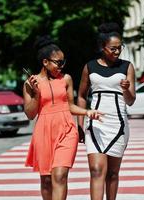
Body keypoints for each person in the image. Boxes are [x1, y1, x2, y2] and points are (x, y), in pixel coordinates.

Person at [23, 35, 102, 200]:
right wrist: (36, 95)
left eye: (63, 61)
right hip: (43, 132)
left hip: (66, 130)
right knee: (46, 180)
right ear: (45, 62)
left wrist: (87, 112)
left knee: (59, 176)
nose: (62, 65)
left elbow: (70, 106)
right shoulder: (31, 83)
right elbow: (30, 114)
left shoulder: (66, 79)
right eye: (58, 62)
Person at [77, 22, 136, 200]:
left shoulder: (127, 66)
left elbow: (131, 101)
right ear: (103, 47)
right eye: (113, 49)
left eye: (120, 48)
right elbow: (81, 96)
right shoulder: (89, 67)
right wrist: (80, 124)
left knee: (112, 173)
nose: (117, 52)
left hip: (118, 125)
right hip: (95, 125)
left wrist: (126, 89)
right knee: (96, 171)